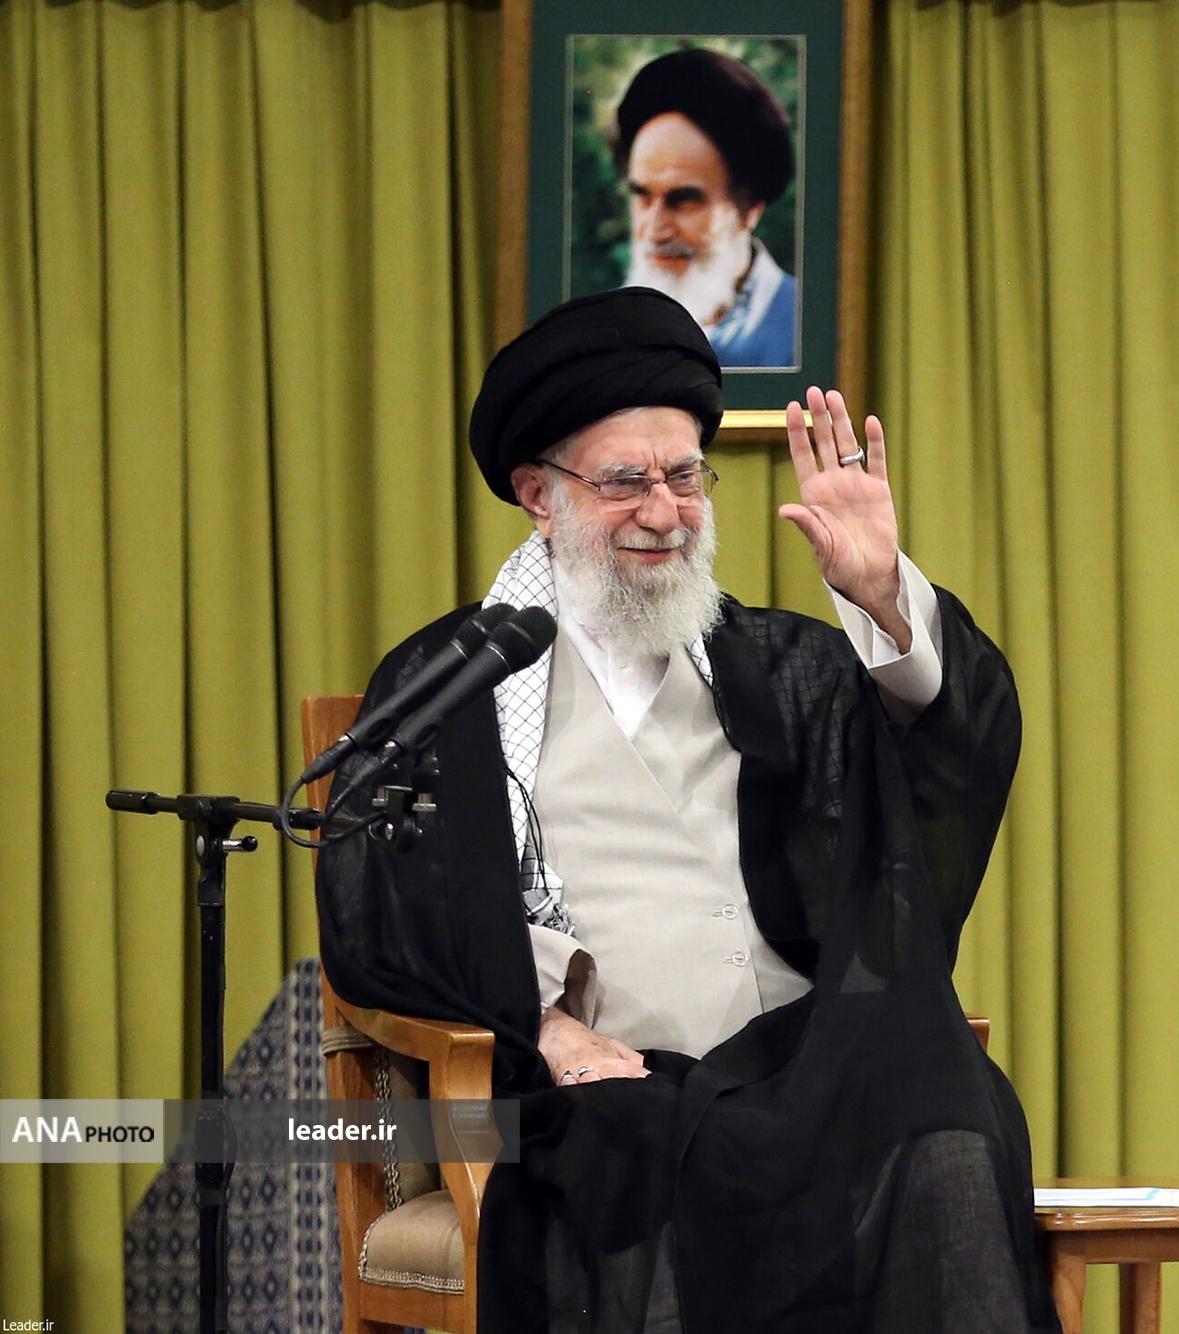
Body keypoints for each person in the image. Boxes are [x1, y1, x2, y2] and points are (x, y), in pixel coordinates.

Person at [316, 287, 1053, 1332]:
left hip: (799, 1068)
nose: (664, 512)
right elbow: (382, 911)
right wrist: (541, 1024)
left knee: (948, 1108)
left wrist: (882, 594)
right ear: (538, 493)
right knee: (638, 1166)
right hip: (603, 1087)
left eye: (684, 476)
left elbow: (942, 761)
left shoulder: (783, 664)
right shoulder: (453, 683)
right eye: (625, 481)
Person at [614, 48, 798, 368]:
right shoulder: (606, 332)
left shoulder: (807, 328)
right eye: (642, 196)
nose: (655, 230)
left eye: (683, 200)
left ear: (750, 208)